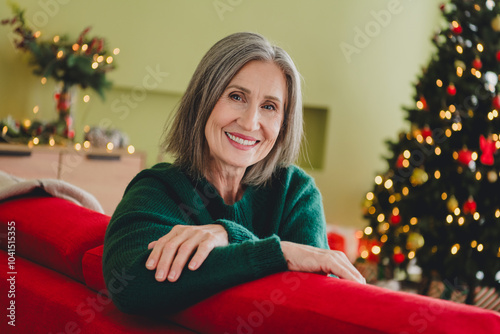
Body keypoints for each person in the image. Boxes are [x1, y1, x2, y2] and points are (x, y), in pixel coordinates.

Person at [102, 32, 365, 315]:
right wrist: (282, 253)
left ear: (283, 125)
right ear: (203, 101)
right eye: (236, 96)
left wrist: (227, 236)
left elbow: (314, 302)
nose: (250, 122)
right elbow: (129, 287)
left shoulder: (295, 192)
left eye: (269, 107)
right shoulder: (158, 190)